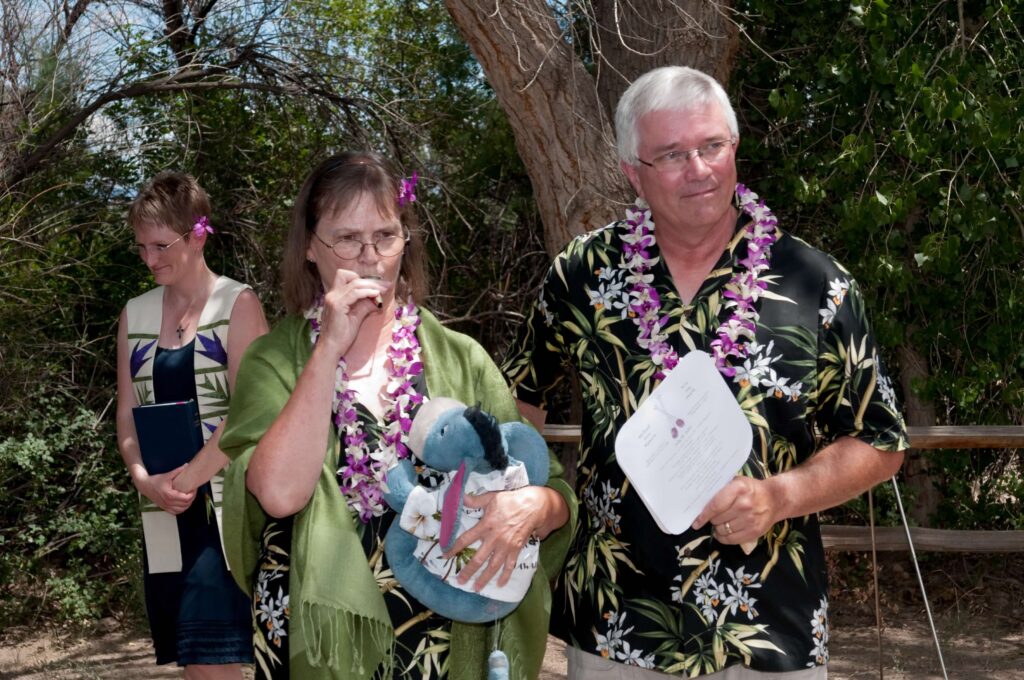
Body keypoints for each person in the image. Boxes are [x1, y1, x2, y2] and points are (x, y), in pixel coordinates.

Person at [502, 66, 909, 679]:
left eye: (711, 146)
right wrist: (530, 492)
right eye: (671, 154)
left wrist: (778, 496)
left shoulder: (817, 285)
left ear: (735, 147)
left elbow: (880, 441)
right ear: (632, 173)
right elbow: (520, 399)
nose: (699, 169)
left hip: (770, 627)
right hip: (617, 623)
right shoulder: (581, 274)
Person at [218, 151, 576, 680]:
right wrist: (327, 352)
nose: (369, 258)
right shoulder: (275, 360)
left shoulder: (459, 357)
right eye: (345, 239)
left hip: (444, 646)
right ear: (310, 249)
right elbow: (278, 494)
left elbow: (555, 493)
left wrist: (534, 504)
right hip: (317, 643)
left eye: (385, 236)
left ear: (404, 244)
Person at [116, 171, 268, 677]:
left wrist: (187, 480)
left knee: (213, 666)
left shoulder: (238, 304)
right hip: (162, 510)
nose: (149, 259)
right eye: (141, 247)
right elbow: (126, 414)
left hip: (224, 514)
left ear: (198, 233)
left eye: (160, 245)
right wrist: (145, 480)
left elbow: (251, 414)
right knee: (191, 666)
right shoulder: (134, 314)